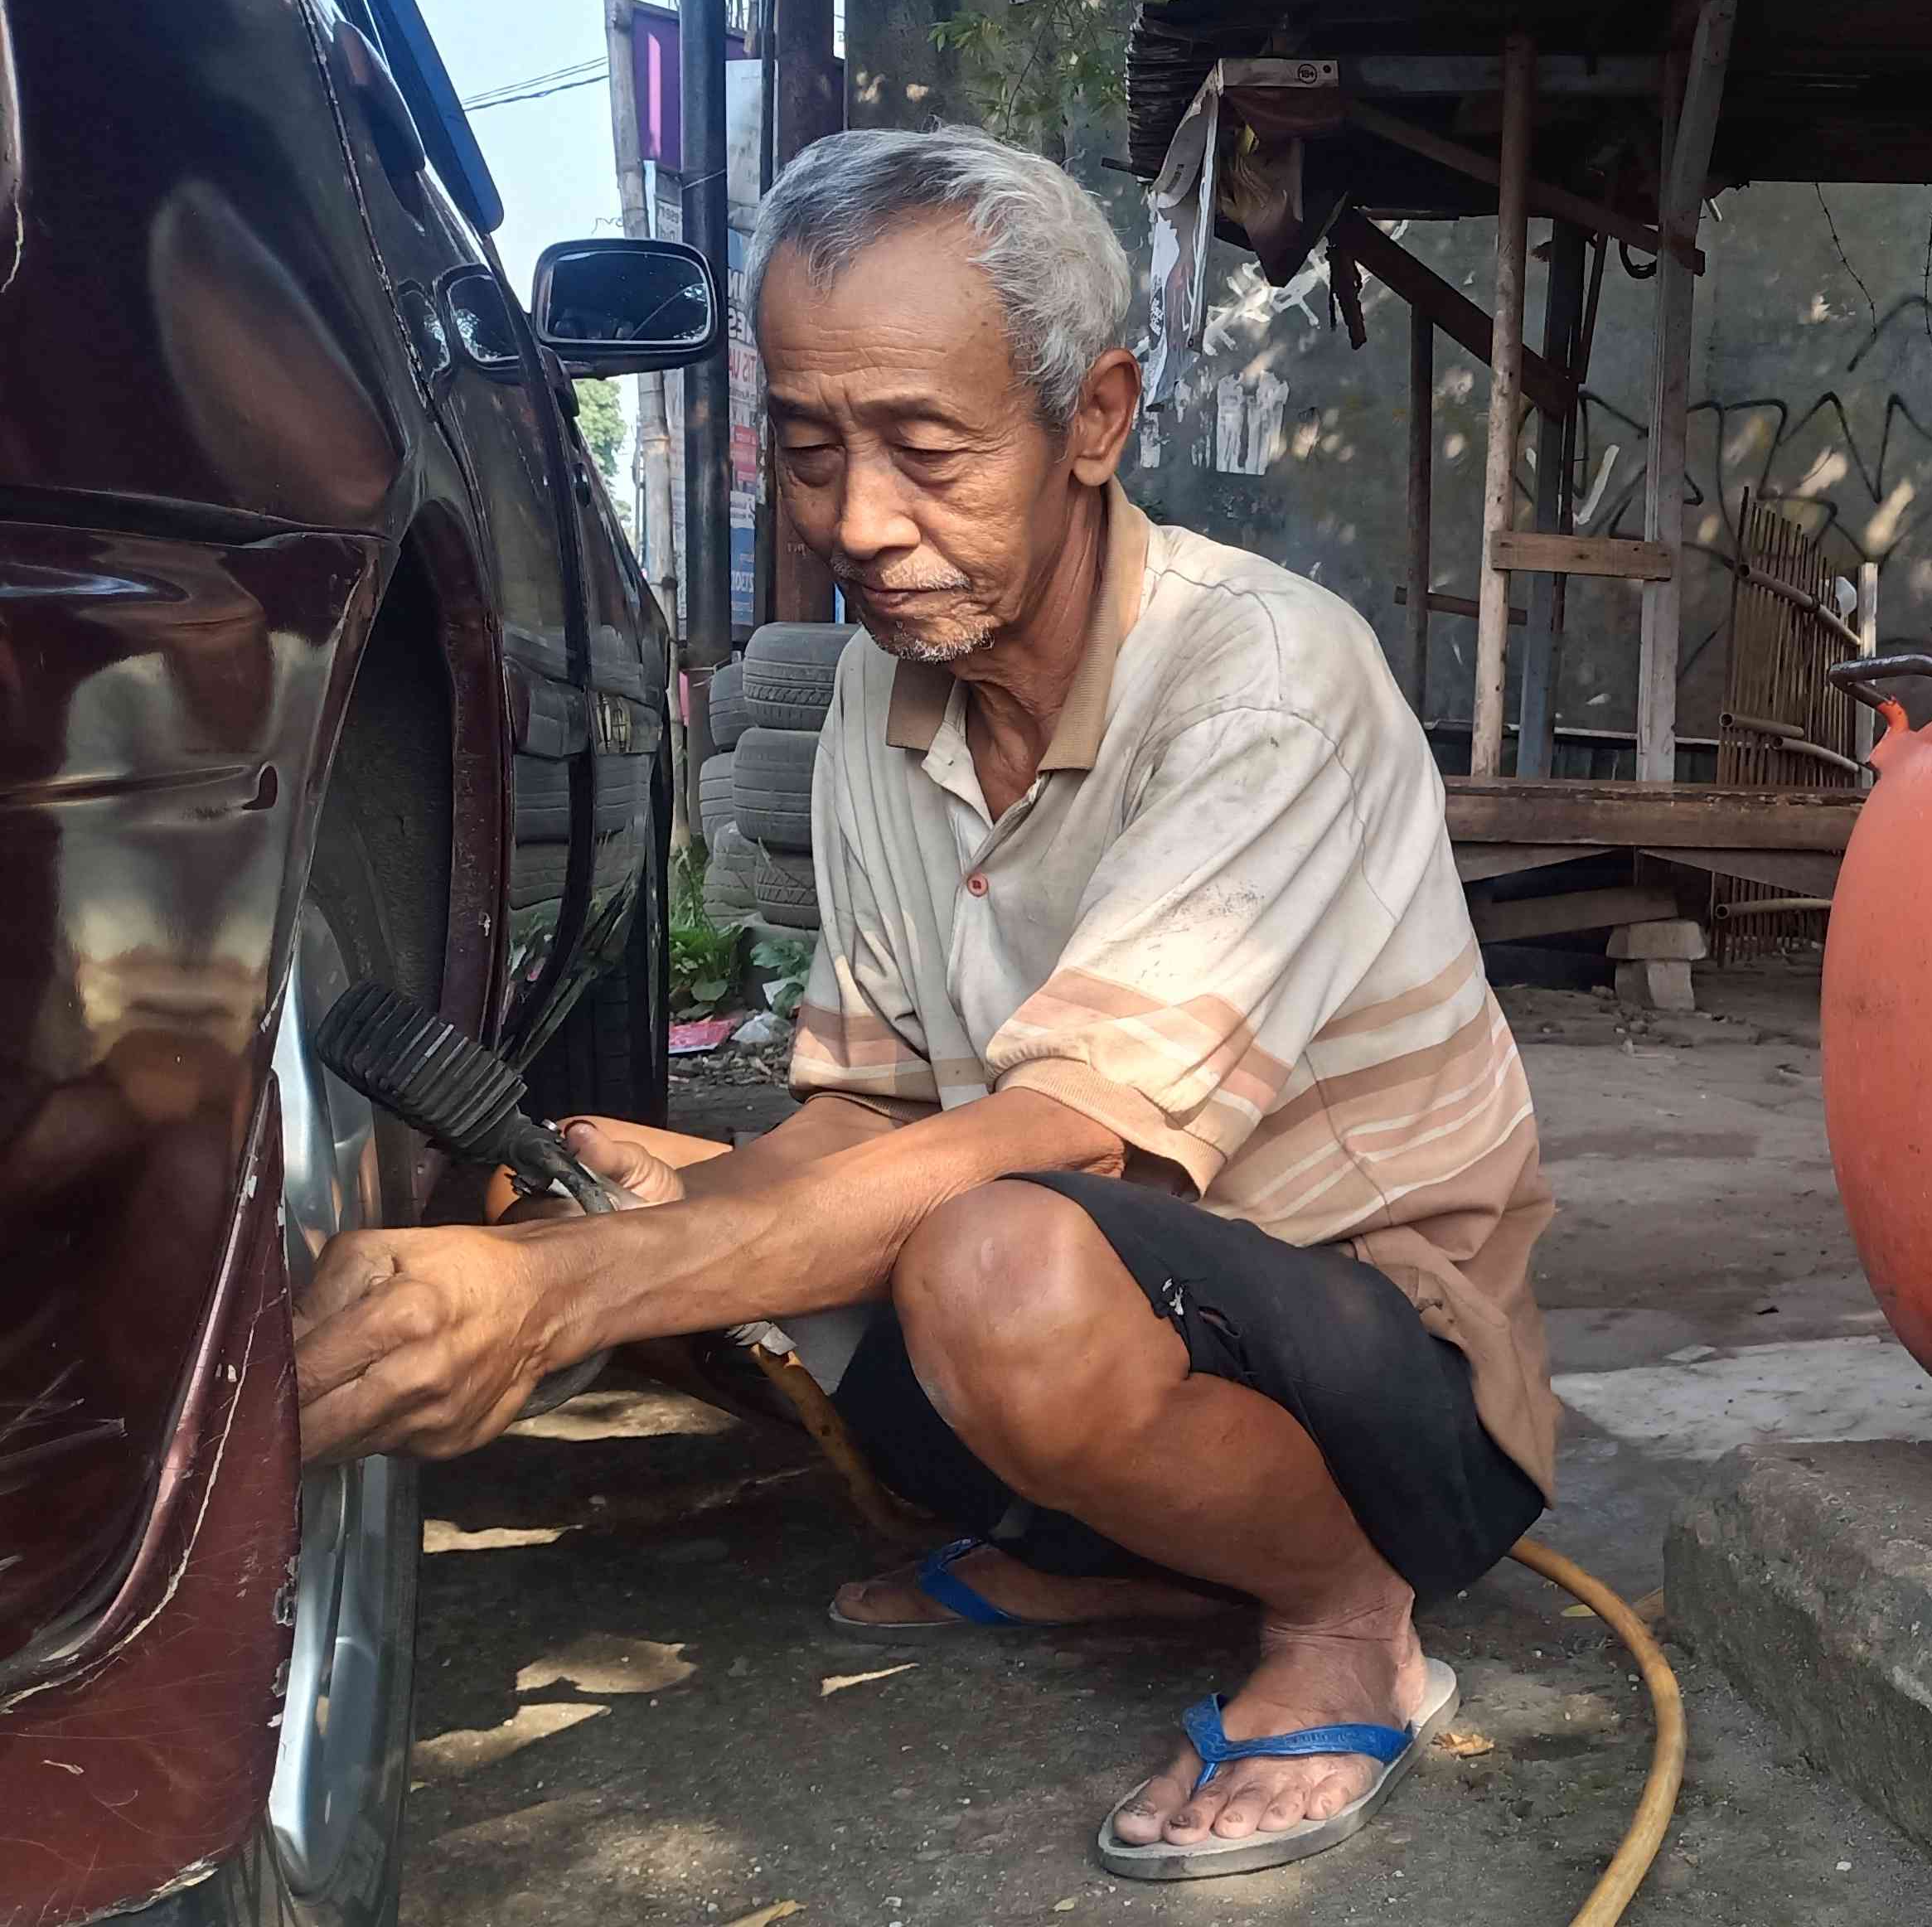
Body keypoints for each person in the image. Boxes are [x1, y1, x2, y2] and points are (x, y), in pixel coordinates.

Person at [290, 125, 1555, 1879]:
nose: (859, 525)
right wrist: (626, 1223)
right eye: (810, 451)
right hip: (1099, 1290)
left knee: (990, 1265)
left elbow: (1065, 1137)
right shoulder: (900, 707)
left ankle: (1346, 1616)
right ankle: (1119, 1538)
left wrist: (565, 1293)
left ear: (1096, 419)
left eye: (927, 451)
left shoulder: (1261, 680)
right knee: (588, 1166)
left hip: (1383, 1368)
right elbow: (868, 1112)